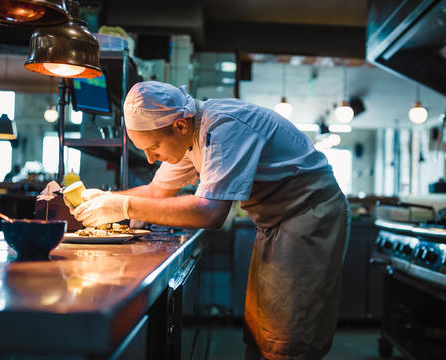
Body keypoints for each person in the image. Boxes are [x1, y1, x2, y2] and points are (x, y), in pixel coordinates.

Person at [65, 81, 349, 359]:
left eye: (153, 148)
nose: (151, 159)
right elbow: (156, 191)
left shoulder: (223, 128)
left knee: (289, 336)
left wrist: (124, 206)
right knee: (264, 330)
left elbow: (209, 213)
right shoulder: (188, 137)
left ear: (180, 125)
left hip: (309, 215)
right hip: (276, 223)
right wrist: (101, 198)